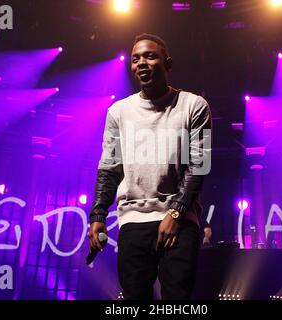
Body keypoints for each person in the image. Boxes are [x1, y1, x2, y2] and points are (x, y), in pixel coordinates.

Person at [88, 33, 212, 300]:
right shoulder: (118, 112)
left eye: (149, 56)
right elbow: (109, 167)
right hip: (133, 222)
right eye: (135, 59)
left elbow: (199, 165)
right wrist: (98, 215)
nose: (141, 62)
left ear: (167, 63)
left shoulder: (194, 105)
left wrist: (176, 214)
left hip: (179, 222)